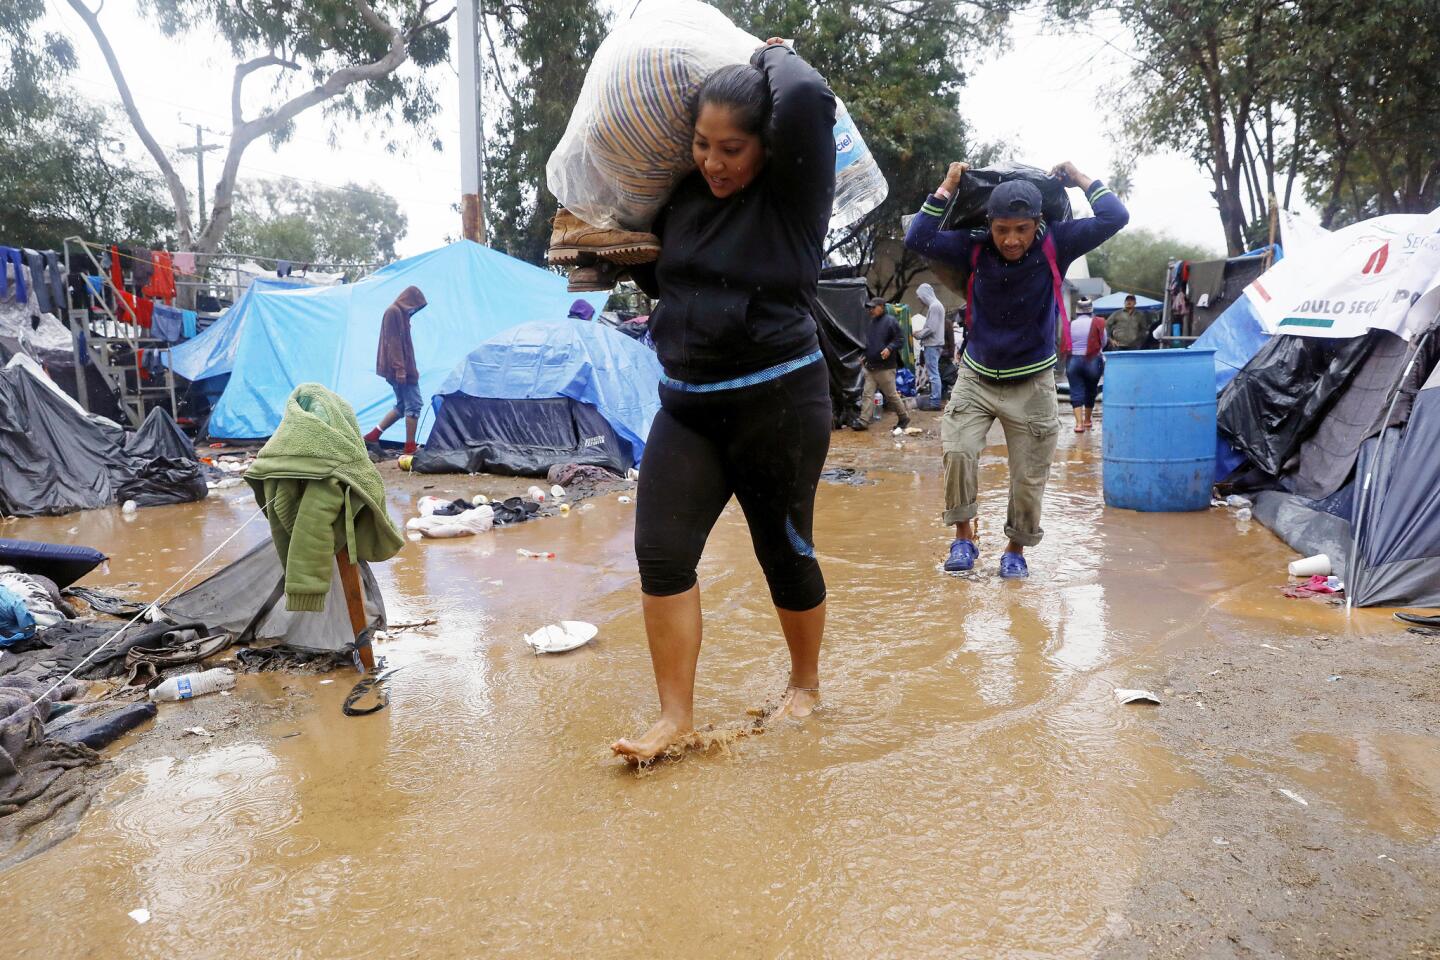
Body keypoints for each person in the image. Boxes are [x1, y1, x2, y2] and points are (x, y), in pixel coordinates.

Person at [614, 39, 837, 762]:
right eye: (703, 144)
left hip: (779, 403)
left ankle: (803, 686)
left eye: (733, 148)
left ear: (766, 148)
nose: (714, 162)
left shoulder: (793, 198)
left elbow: (804, 99)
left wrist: (776, 51)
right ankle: (673, 716)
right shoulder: (681, 201)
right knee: (660, 552)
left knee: (784, 549)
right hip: (687, 408)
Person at [905, 161, 1128, 578]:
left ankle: (1015, 550)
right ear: (989, 224)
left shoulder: (1056, 242)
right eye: (1002, 229)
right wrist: (949, 184)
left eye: (1021, 229)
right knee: (957, 450)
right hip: (976, 376)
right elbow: (917, 236)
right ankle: (963, 538)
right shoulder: (973, 246)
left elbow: (1115, 216)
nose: (1011, 240)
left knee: (1029, 474)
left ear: (1037, 223)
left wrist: (1080, 178)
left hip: (1034, 381)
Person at [363, 285, 427, 455]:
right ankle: (410, 448)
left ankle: (372, 436)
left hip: (404, 368)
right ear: (408, 300)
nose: (414, 309)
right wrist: (400, 369)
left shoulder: (401, 314)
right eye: (415, 304)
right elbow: (393, 343)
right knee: (414, 405)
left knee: (402, 406)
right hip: (401, 370)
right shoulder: (394, 312)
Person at [859, 296, 910, 431]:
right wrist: (864, 357)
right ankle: (863, 421)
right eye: (870, 308)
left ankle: (903, 417)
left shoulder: (891, 322)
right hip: (871, 366)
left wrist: (889, 348)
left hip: (885, 367)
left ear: (882, 307)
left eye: (873, 307)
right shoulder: (871, 323)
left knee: (891, 395)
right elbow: (870, 344)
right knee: (867, 394)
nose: (871, 310)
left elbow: (900, 339)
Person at [1064, 296, 1106, 433]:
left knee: (1076, 390)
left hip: (1074, 361)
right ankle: (1087, 420)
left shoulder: (1070, 324)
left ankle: (1079, 424)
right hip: (1093, 360)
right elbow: (1103, 341)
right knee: (1091, 390)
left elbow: (1066, 342)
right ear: (1091, 310)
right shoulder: (1098, 323)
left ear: (1077, 310)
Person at [914, 283, 947, 411]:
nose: (920, 300)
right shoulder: (936, 305)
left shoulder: (934, 306)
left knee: (933, 374)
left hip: (932, 344)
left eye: (920, 297)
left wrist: (918, 334)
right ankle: (935, 399)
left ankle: (935, 402)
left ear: (925, 295)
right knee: (934, 373)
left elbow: (931, 328)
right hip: (935, 344)